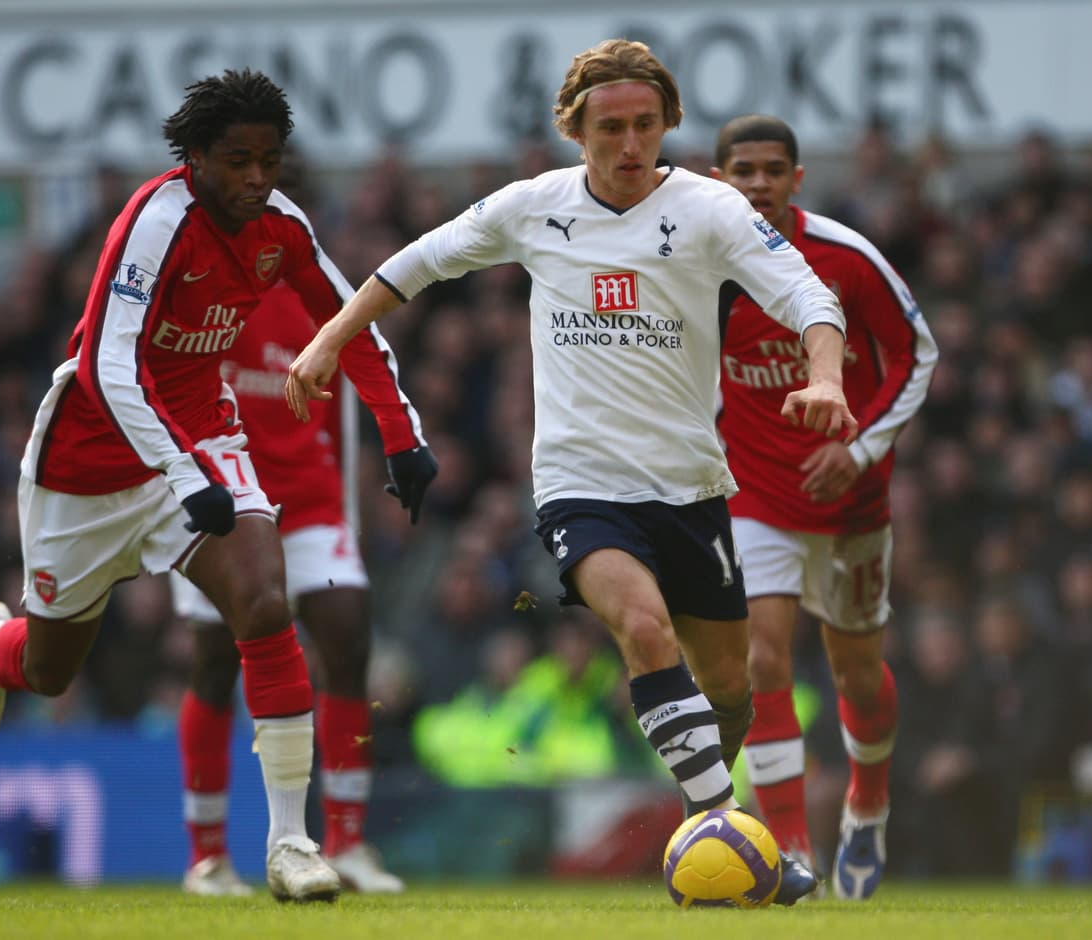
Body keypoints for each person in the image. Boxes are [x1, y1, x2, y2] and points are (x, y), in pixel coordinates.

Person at [286, 39, 859, 905]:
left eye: (644, 126)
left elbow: (811, 297)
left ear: (667, 124)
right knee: (642, 629)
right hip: (580, 485)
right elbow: (412, 265)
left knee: (730, 690)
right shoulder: (532, 207)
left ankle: (710, 823)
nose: (628, 145)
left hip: (694, 488)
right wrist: (329, 338)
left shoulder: (712, 210)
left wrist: (824, 376)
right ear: (575, 130)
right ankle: (732, 841)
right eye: (609, 128)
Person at [0, 69, 435, 903]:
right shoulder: (154, 221)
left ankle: (290, 844)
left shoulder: (281, 225)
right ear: (196, 157)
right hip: (89, 462)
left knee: (264, 605)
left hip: (203, 435)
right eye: (238, 160)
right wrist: (177, 473)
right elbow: (106, 364)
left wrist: (402, 433)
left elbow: (348, 319)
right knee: (52, 666)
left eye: (270, 160)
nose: (256, 178)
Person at [712, 114, 938, 899]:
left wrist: (860, 449)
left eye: (774, 169)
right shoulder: (699, 267)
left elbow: (917, 353)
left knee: (860, 675)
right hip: (753, 499)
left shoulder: (846, 257)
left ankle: (867, 809)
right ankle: (788, 851)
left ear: (797, 179)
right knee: (761, 659)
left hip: (850, 503)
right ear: (719, 181)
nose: (760, 183)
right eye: (744, 170)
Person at [170, 258, 432, 895]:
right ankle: (207, 858)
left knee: (348, 639)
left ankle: (346, 841)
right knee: (213, 663)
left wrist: (347, 515)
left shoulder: (320, 296)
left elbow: (344, 412)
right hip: (222, 501)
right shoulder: (201, 295)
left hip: (312, 503)